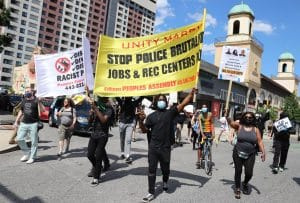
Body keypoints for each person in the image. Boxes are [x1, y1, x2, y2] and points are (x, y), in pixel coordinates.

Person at [139, 88, 196, 202]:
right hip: (153, 147)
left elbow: (184, 103)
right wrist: (141, 121)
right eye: (159, 100)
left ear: (166, 102)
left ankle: (165, 181)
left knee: (165, 169)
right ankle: (151, 192)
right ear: (155, 103)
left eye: (163, 100)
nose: (161, 101)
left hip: (165, 147)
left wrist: (191, 94)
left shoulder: (170, 113)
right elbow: (145, 130)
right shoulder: (151, 116)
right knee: (151, 170)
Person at [226, 112, 266, 199]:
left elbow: (260, 141)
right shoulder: (239, 126)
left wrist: (263, 152)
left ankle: (245, 183)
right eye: (246, 117)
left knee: (249, 173)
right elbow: (231, 123)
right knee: (238, 171)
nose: (248, 118)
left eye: (250, 117)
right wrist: (227, 117)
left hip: (250, 154)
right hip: (237, 152)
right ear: (243, 118)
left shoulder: (255, 129)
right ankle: (237, 189)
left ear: (253, 119)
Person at [86, 96, 113, 186]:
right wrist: (91, 114)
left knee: (98, 156)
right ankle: (98, 166)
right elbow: (89, 121)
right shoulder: (96, 105)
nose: (99, 99)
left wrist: (96, 109)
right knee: (89, 154)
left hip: (103, 135)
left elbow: (103, 120)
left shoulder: (109, 108)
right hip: (94, 134)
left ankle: (96, 178)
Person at [14, 87, 45, 164]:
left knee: (34, 141)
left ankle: (32, 157)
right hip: (24, 123)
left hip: (33, 124)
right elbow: (21, 111)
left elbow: (43, 110)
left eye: (28, 91)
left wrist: (40, 102)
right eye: (26, 91)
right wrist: (16, 121)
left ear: (32, 92)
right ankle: (27, 152)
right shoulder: (24, 100)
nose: (26, 92)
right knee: (19, 139)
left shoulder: (36, 100)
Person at [116, 96, 143, 164]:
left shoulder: (134, 103)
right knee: (122, 139)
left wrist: (145, 91)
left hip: (130, 124)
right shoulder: (122, 102)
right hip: (122, 123)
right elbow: (116, 96)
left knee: (128, 140)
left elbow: (141, 98)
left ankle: (127, 156)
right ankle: (122, 153)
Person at [195, 104, 215, 169]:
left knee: (209, 145)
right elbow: (200, 126)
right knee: (200, 146)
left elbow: (212, 123)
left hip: (209, 132)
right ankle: (198, 161)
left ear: (207, 108)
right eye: (203, 107)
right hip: (202, 132)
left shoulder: (210, 114)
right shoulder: (200, 116)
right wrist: (202, 134)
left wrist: (213, 133)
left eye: (205, 107)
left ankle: (208, 155)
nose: (204, 108)